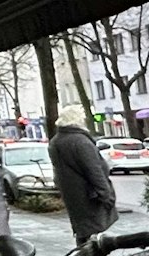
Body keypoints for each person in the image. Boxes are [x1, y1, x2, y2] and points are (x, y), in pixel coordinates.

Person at [49, 103, 116, 245]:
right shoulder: (80, 141)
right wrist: (106, 195)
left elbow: (58, 171)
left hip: (73, 196)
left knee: (83, 232)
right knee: (93, 236)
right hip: (90, 196)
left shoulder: (55, 141)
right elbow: (94, 170)